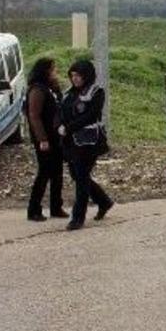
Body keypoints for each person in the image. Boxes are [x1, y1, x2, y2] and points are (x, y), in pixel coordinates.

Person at [58, 59, 113, 231]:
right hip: (70, 143)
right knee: (77, 175)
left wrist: (68, 127)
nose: (75, 79)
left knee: (81, 178)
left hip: (89, 143)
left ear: (86, 76)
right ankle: (103, 201)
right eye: (73, 75)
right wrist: (59, 125)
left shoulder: (96, 92)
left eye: (79, 75)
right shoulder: (69, 93)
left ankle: (77, 217)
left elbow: (91, 115)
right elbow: (62, 111)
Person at [24, 57, 66, 222]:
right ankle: (34, 209)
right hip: (45, 138)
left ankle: (56, 206)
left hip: (56, 136)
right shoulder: (37, 90)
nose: (56, 72)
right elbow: (34, 115)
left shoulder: (50, 88)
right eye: (53, 69)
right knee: (45, 171)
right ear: (46, 71)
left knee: (57, 172)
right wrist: (42, 138)